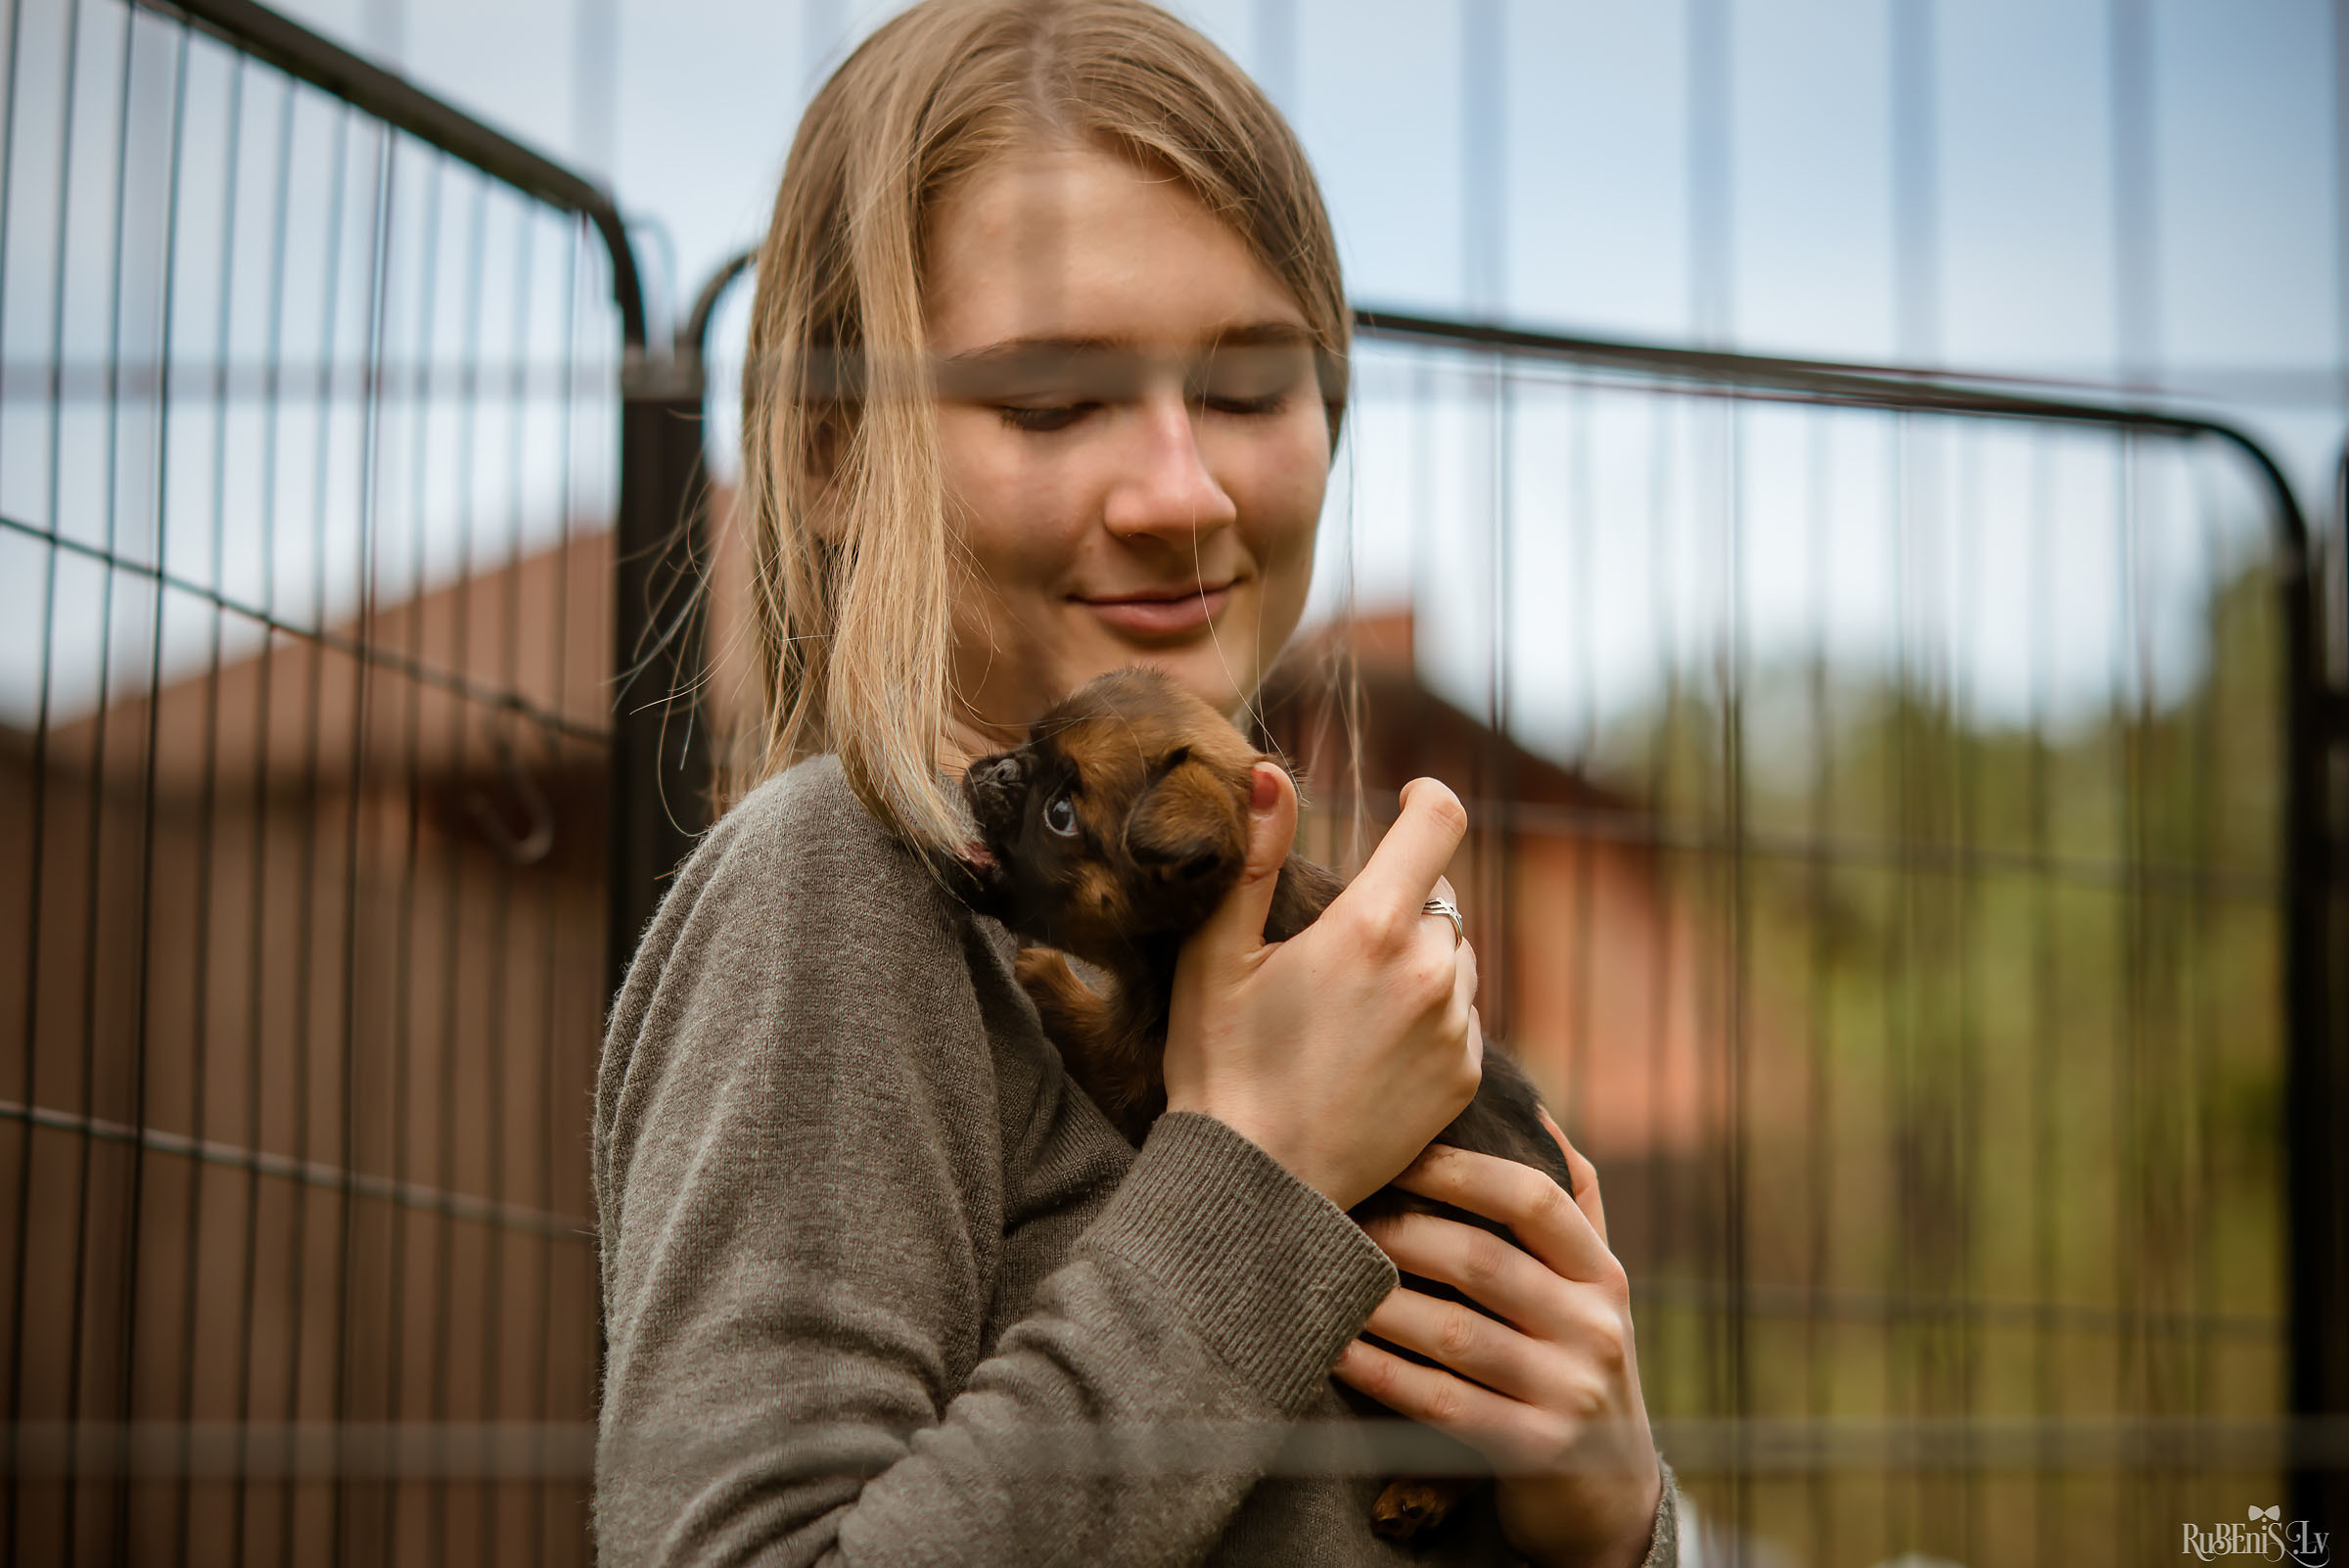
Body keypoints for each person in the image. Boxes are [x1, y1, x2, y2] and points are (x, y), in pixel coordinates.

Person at [593, 1, 1681, 1562]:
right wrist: (1259, 1180)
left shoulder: (1269, 951)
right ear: (832, 454)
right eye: (1051, 399)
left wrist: (1612, 1519)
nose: (1184, 490)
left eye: (1250, 390)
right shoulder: (834, 895)